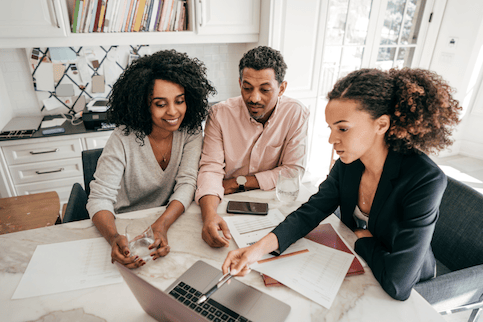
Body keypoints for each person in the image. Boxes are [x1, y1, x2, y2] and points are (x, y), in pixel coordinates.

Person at [221, 68, 462, 301]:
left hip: (410, 286)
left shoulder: (423, 179)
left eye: (343, 128)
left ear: (381, 125)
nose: (331, 139)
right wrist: (256, 250)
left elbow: (398, 284)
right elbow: (311, 211)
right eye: (331, 128)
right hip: (362, 267)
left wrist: (364, 241)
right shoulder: (350, 162)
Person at [86, 49, 216, 268]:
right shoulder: (123, 138)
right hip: (123, 223)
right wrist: (113, 237)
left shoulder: (190, 131)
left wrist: (162, 224)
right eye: (160, 104)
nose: (173, 112)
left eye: (180, 101)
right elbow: (99, 198)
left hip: (168, 219)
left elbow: (187, 182)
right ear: (144, 105)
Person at [195, 46, 310, 248]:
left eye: (265, 90)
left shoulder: (295, 113)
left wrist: (238, 182)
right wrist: (209, 216)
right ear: (239, 83)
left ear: (281, 89)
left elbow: (293, 171)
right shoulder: (219, 114)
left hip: (274, 206)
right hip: (224, 202)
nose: (254, 98)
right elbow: (210, 169)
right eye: (247, 88)